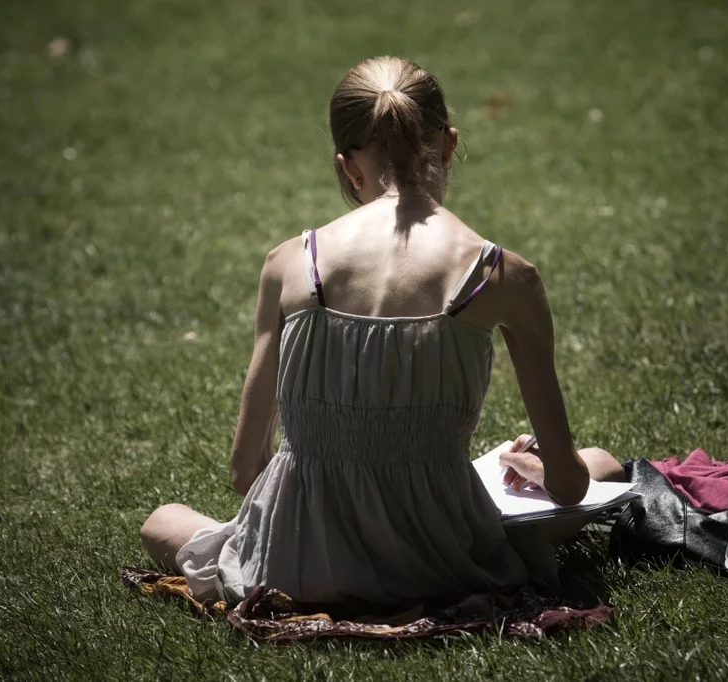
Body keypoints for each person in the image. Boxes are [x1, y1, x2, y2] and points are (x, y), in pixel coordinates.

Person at [140, 56, 625, 606]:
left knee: (164, 520)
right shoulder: (504, 275)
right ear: (447, 144)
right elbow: (568, 486)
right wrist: (536, 467)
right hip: (444, 561)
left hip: (296, 569)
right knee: (600, 463)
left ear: (348, 166)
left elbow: (244, 469)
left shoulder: (289, 264)